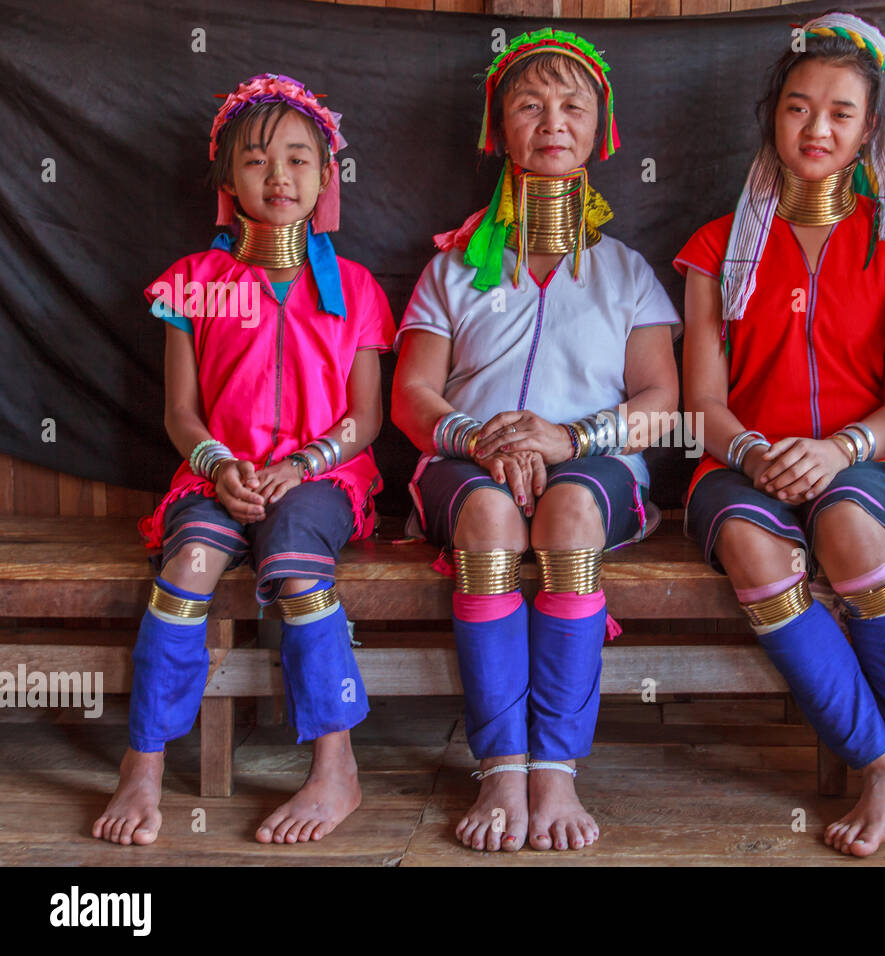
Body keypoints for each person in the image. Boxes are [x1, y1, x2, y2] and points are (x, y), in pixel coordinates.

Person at [676, 12, 885, 858]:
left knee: (848, 527)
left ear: (868, 131)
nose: (816, 129)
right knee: (750, 542)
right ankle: (880, 763)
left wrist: (835, 451)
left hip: (866, 458)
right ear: (771, 116)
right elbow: (701, 401)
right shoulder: (716, 249)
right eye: (797, 107)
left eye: (840, 113)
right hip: (738, 459)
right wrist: (754, 453)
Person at [391, 28, 680, 853]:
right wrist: (474, 439)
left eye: (571, 106)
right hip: (466, 465)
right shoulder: (453, 266)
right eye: (528, 104)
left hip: (591, 468)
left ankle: (556, 766)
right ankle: (501, 765)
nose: (551, 121)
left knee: (569, 520)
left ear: (600, 131)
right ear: (498, 129)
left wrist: (570, 437)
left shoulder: (626, 272)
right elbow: (412, 397)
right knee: (489, 525)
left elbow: (662, 401)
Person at [93, 74, 395, 846]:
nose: (280, 177)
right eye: (257, 161)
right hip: (214, 471)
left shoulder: (357, 289)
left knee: (295, 565)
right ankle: (144, 764)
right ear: (227, 178)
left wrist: (302, 465)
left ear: (327, 177)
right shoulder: (192, 285)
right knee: (187, 566)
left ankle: (336, 767)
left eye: (299, 159)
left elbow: (366, 419)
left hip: (323, 477)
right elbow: (180, 413)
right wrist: (221, 465)